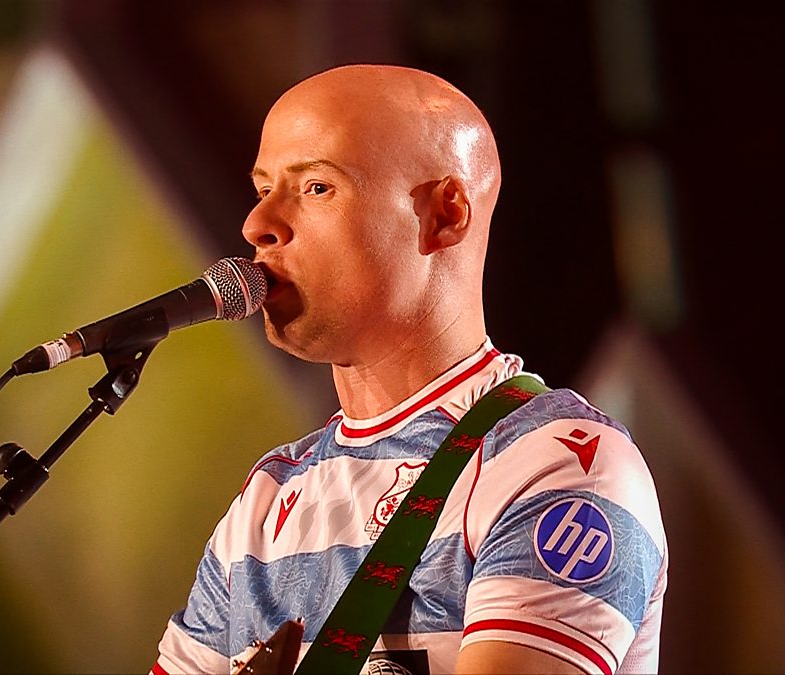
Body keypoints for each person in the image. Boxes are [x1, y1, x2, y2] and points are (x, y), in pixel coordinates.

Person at [151, 64, 667, 675]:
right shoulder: (265, 504)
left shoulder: (558, 461)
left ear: (445, 214)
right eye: (263, 188)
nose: (257, 225)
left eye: (316, 187)